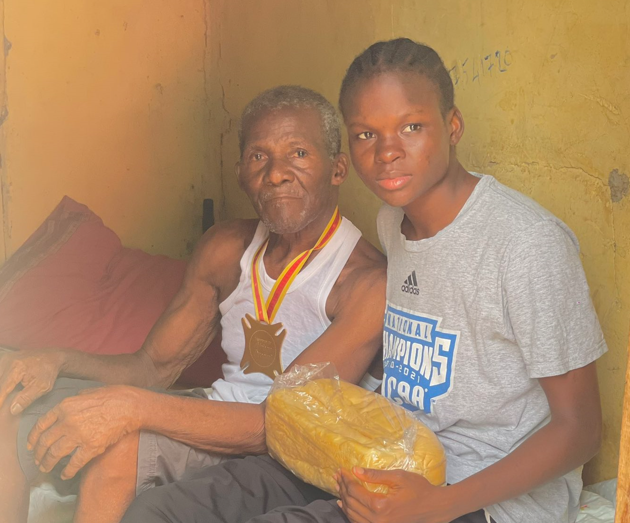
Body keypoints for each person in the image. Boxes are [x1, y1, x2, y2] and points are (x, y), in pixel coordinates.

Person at [121, 38, 606, 523]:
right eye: (366, 135)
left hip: (481, 497)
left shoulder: (525, 244)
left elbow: (580, 429)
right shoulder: (392, 223)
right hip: (376, 459)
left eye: (411, 127)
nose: (388, 152)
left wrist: (438, 505)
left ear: (453, 126)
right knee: (160, 510)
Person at [0, 85, 386, 523]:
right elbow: (151, 368)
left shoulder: (365, 284)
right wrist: (57, 359)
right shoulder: (225, 249)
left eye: (298, 153)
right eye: (260, 156)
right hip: (212, 409)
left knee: (122, 447)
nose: (277, 173)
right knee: (8, 402)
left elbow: (280, 424)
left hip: (284, 447)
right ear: (241, 171)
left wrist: (132, 408)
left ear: (337, 169)